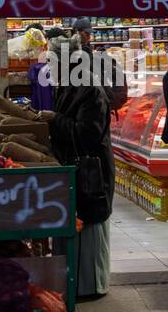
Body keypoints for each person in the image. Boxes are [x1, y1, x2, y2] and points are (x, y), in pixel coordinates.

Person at [40, 36, 114, 298]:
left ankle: (90, 287)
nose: (47, 66)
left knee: (89, 225)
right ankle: (72, 284)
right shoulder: (68, 85)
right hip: (76, 170)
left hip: (91, 172)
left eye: (51, 60)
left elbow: (87, 135)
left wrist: (54, 119)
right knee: (74, 224)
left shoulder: (90, 89)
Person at [72, 17, 128, 114]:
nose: (89, 37)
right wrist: (112, 99)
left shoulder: (86, 54)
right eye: (87, 33)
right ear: (78, 33)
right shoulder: (82, 56)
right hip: (93, 106)